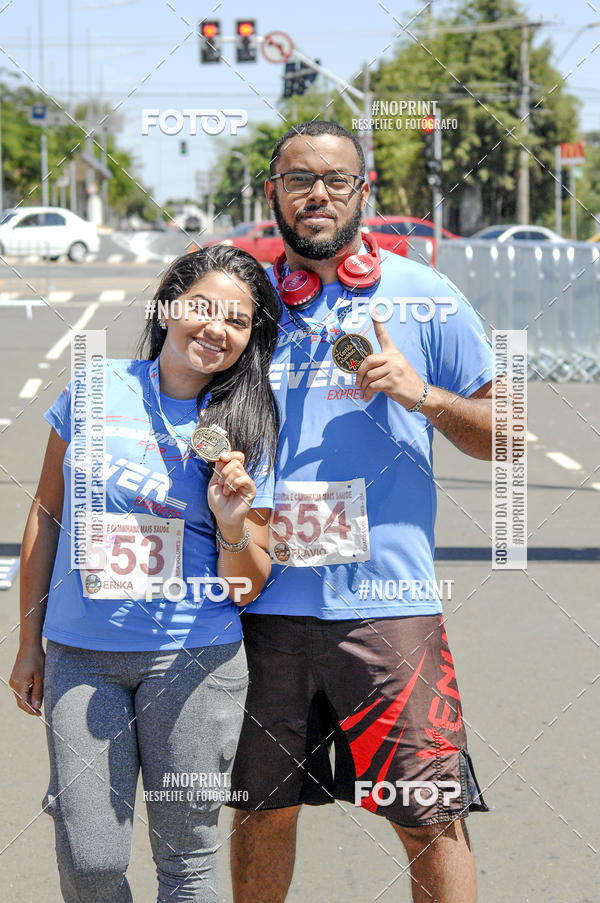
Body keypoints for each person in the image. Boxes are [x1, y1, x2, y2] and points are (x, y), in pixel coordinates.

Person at [229, 121, 496, 903]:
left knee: (429, 815)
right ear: (271, 190)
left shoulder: (424, 295)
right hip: (258, 603)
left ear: (363, 192)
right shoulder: (238, 302)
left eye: (335, 180)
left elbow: (508, 431)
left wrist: (425, 395)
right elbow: (183, 403)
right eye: (299, 178)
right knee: (260, 812)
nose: (317, 193)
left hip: (388, 610)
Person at [9, 246, 281, 903]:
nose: (217, 328)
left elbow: (247, 583)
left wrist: (231, 519)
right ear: (168, 308)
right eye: (203, 308)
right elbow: (47, 511)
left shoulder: (237, 428)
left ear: (250, 339)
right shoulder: (95, 386)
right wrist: (27, 642)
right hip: (82, 656)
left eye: (238, 321)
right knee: (91, 857)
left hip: (195, 660)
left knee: (187, 860)